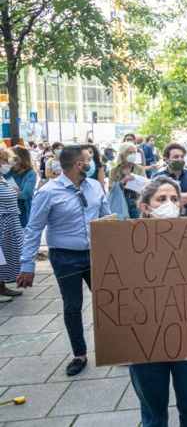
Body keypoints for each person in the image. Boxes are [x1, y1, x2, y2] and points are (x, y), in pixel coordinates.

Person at [17, 145, 110, 376]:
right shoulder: (48, 192)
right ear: (79, 165)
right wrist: (27, 264)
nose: (92, 162)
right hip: (65, 257)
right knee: (72, 305)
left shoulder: (95, 186)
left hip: (96, 254)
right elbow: (33, 228)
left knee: (109, 301)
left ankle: (116, 348)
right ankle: (79, 354)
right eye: (88, 159)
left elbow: (108, 219)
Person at [129, 177, 187, 427]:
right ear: (145, 206)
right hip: (145, 341)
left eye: (174, 199)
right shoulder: (126, 243)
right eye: (161, 199)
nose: (169, 204)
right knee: (153, 413)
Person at [154, 143, 187, 217]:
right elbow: (155, 199)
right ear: (166, 159)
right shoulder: (158, 177)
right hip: (166, 219)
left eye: (182, 157)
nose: (180, 159)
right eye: (176, 157)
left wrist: (170, 197)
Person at [0, 148, 23, 299]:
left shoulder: (2, 178)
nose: (7, 164)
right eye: (4, 160)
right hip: (2, 222)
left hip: (10, 223)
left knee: (6, 257)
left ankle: (2, 286)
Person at [109, 143, 146, 219]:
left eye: (134, 152)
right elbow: (110, 189)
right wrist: (122, 182)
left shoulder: (140, 169)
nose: (133, 155)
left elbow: (145, 187)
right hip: (120, 203)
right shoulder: (114, 170)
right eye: (130, 152)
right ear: (122, 154)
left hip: (135, 203)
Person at [7, 145, 37, 227]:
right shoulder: (9, 170)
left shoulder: (30, 173)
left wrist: (8, 191)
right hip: (8, 210)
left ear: (20, 158)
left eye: (11, 157)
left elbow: (25, 195)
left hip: (23, 211)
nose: (9, 159)